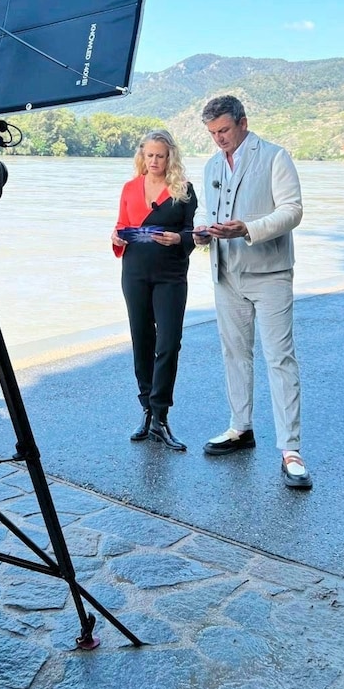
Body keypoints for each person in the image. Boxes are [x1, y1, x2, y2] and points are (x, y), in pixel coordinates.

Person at [193, 94, 312, 489]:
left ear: (243, 122)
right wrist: (201, 234)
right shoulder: (212, 165)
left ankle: (290, 450)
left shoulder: (276, 157)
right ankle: (240, 429)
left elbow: (292, 210)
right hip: (226, 274)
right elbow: (210, 216)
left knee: (280, 359)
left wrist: (247, 228)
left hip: (271, 274)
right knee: (234, 355)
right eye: (212, 133)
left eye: (224, 130)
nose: (219, 140)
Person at [112, 129, 197, 451]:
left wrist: (179, 239)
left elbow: (194, 233)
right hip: (134, 272)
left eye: (160, 155)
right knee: (142, 340)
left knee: (169, 342)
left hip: (171, 274)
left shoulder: (184, 190)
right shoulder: (130, 187)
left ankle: (161, 414)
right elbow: (121, 226)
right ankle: (147, 411)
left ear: (169, 156)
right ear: (142, 156)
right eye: (149, 155)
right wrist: (116, 237)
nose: (154, 161)